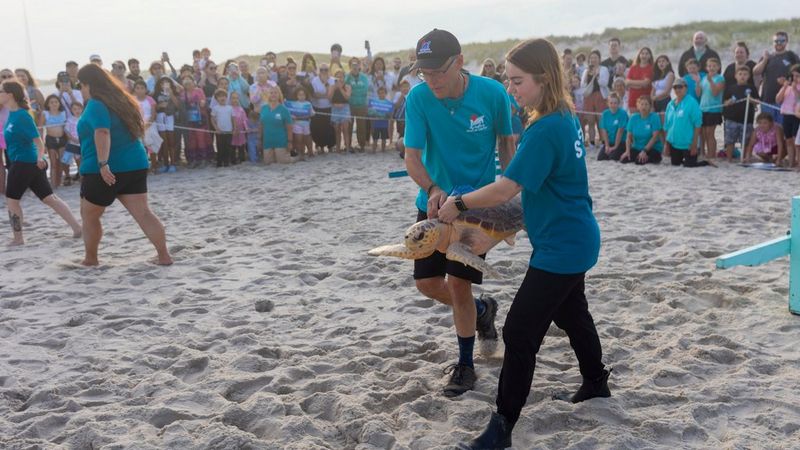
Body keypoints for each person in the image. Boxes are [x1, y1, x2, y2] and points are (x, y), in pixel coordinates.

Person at [442, 38, 608, 450]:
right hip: (576, 238)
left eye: (517, 81)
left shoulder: (547, 127)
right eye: (508, 80)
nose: (511, 88)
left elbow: (506, 188)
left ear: (544, 78)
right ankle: (596, 381)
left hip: (562, 248)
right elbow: (524, 194)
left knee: (518, 333)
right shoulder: (564, 115)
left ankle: (501, 429)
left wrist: (459, 203)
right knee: (573, 313)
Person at [403, 29, 514, 398]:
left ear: (460, 62)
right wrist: (432, 188)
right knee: (427, 284)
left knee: (460, 283)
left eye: (437, 71)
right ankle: (483, 311)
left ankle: (465, 365)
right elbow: (412, 157)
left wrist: (509, 196)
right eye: (424, 72)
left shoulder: (493, 93)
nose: (431, 79)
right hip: (433, 206)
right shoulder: (418, 98)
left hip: (475, 211)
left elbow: (507, 145)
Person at [75, 64, 171, 266]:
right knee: (143, 213)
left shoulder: (96, 104)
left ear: (88, 84)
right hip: (135, 164)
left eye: (80, 85)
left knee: (89, 214)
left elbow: (102, 132)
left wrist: (103, 164)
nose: (80, 89)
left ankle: (90, 259)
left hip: (104, 169)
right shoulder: (123, 100)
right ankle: (164, 256)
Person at [1, 79, 81, 246]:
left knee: (12, 200)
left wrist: (40, 158)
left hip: (25, 163)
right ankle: (77, 228)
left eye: (1, 91)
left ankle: (18, 239)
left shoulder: (22, 116)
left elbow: (38, 142)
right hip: (25, 162)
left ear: (9, 95)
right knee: (49, 198)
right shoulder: (12, 114)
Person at [753, 31, 799, 125]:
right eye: (776, 41)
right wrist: (765, 59)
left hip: (786, 100)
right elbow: (755, 71)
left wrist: (787, 83)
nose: (779, 43)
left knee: (784, 131)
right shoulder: (767, 57)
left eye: (782, 40)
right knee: (767, 128)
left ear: (786, 42)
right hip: (767, 99)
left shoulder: (792, 56)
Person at [664, 78, 710, 168]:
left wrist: (694, 144)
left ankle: (705, 162)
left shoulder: (692, 103)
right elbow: (666, 126)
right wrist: (666, 145)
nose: (677, 89)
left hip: (688, 145)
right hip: (674, 144)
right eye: (675, 87)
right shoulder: (670, 105)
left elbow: (698, 124)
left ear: (686, 88)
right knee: (675, 164)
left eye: (680, 87)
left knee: (690, 165)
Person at [722, 66, 759, 162]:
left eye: (745, 74)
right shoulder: (731, 88)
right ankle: (729, 159)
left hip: (747, 119)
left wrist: (752, 101)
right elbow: (724, 103)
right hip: (732, 119)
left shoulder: (752, 88)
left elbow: (758, 101)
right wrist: (729, 102)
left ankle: (744, 158)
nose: (742, 76)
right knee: (730, 141)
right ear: (736, 76)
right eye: (740, 74)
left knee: (746, 141)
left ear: (748, 76)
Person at [580, 50, 610, 148]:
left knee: (601, 120)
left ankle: (603, 141)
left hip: (600, 96)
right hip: (588, 97)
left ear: (599, 59)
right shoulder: (586, 70)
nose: (593, 60)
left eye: (595, 58)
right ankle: (592, 142)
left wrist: (596, 76)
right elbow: (582, 85)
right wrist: (588, 74)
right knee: (590, 120)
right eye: (591, 58)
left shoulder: (604, 69)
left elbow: (604, 83)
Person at [621, 95, 663, 164]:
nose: (644, 106)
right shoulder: (633, 118)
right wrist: (627, 151)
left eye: (646, 104)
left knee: (639, 161)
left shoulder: (654, 117)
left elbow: (655, 137)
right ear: (638, 106)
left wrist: (644, 151)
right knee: (624, 159)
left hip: (652, 148)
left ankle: (651, 158)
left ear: (650, 106)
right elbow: (628, 137)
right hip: (637, 147)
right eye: (642, 104)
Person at [181, 77, 212, 168]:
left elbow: (203, 101)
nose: (188, 85)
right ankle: (194, 159)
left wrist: (202, 102)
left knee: (201, 138)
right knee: (192, 139)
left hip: (200, 118)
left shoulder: (199, 91)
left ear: (194, 83)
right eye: (186, 84)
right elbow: (182, 104)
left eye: (190, 83)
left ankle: (204, 159)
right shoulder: (183, 94)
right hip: (189, 119)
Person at [699, 58, 725, 160]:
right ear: (706, 67)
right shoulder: (704, 78)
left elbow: (715, 93)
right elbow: (700, 94)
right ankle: (704, 153)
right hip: (703, 108)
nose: (712, 68)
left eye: (714, 66)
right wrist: (697, 83)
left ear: (718, 67)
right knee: (703, 133)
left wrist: (711, 82)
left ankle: (711, 155)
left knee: (710, 133)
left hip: (713, 109)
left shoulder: (720, 79)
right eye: (709, 66)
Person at [260, 87, 293, 164]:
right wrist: (259, 139)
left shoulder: (284, 109)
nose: (273, 95)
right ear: (268, 95)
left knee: (282, 161)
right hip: (267, 140)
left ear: (279, 95)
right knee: (267, 162)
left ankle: (297, 158)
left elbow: (289, 127)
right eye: (271, 93)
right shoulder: (264, 108)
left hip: (280, 140)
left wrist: (289, 141)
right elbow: (261, 125)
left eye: (275, 93)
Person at [154, 77, 181, 173]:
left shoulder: (174, 93)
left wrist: (171, 94)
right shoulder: (156, 94)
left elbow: (178, 105)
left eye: (167, 83)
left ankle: (173, 164)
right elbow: (154, 107)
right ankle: (165, 164)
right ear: (159, 85)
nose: (165, 85)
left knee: (171, 141)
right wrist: (159, 106)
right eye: (162, 83)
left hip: (170, 117)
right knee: (164, 142)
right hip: (160, 117)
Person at [41, 95, 68, 187]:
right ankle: (53, 184)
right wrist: (41, 143)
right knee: (53, 162)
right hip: (50, 139)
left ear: (59, 103)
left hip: (62, 139)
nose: (54, 104)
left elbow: (66, 128)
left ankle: (58, 182)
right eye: (51, 102)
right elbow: (40, 129)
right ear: (48, 104)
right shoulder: (45, 113)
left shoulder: (63, 113)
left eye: (56, 102)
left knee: (61, 161)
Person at [775, 65, 800, 166]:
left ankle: (798, 161)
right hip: (786, 114)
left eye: (797, 76)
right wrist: (785, 87)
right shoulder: (787, 87)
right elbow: (778, 99)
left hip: (796, 115)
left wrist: (795, 89)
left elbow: (799, 99)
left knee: (796, 140)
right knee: (788, 139)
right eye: (793, 76)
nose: (794, 78)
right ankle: (791, 161)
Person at [346, 57, 371, 151]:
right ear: (350, 66)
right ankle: (348, 145)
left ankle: (362, 145)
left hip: (361, 105)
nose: (355, 66)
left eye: (356, 64)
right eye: (353, 64)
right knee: (349, 126)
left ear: (359, 66)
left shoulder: (364, 77)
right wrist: (355, 91)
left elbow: (365, 90)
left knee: (361, 126)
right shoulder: (347, 77)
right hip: (350, 105)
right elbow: (345, 88)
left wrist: (353, 90)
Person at [310, 63, 336, 152]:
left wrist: (326, 92)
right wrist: (327, 94)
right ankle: (320, 146)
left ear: (329, 71)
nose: (324, 71)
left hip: (330, 107)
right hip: (317, 107)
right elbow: (314, 94)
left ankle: (331, 146)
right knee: (318, 128)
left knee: (330, 128)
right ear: (319, 71)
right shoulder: (315, 80)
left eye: (326, 70)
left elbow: (333, 95)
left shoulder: (333, 80)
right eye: (321, 70)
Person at [597, 92, 627, 161]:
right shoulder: (605, 113)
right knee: (601, 158)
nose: (613, 105)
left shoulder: (622, 113)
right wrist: (607, 145)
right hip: (609, 141)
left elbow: (620, 131)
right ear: (608, 103)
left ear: (619, 103)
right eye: (611, 103)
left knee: (613, 157)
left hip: (621, 142)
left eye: (615, 103)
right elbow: (604, 131)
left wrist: (615, 146)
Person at [287, 87, 314, 160]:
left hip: (306, 124)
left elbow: (312, 114)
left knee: (307, 138)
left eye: (303, 95)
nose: (301, 96)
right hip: (296, 124)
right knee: (299, 139)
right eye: (299, 95)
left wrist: (309, 115)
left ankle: (310, 152)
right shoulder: (293, 104)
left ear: (306, 95)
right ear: (296, 96)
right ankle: (300, 153)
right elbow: (289, 113)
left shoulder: (308, 103)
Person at [329, 70, 352, 153]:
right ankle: (338, 148)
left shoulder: (347, 86)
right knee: (337, 130)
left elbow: (347, 97)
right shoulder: (332, 86)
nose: (339, 78)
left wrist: (341, 88)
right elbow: (329, 98)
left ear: (344, 77)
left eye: (341, 76)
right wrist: (335, 88)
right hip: (335, 108)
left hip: (345, 108)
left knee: (345, 129)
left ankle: (347, 148)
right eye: (337, 77)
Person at [625, 47, 654, 112]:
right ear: (639, 55)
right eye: (642, 53)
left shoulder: (651, 68)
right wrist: (640, 85)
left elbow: (646, 83)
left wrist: (631, 83)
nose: (644, 56)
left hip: (645, 100)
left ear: (650, 56)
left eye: (646, 54)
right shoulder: (633, 67)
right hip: (633, 98)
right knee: (634, 119)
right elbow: (626, 83)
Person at [211, 89, 234, 167]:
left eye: (224, 96)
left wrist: (234, 128)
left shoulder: (230, 108)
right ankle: (219, 163)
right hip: (220, 132)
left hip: (228, 131)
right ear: (216, 98)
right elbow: (212, 119)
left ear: (227, 97)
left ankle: (226, 162)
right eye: (220, 96)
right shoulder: (215, 108)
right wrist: (216, 128)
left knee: (228, 147)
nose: (222, 98)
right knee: (220, 147)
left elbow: (232, 119)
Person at [368, 86, 393, 152]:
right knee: (375, 139)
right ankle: (374, 150)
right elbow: (370, 113)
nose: (381, 94)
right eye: (380, 93)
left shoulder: (389, 103)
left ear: (386, 93)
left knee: (384, 139)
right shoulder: (374, 102)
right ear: (377, 94)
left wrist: (387, 115)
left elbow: (390, 115)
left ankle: (383, 150)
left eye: (383, 93)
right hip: (376, 124)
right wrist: (374, 114)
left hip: (384, 124)